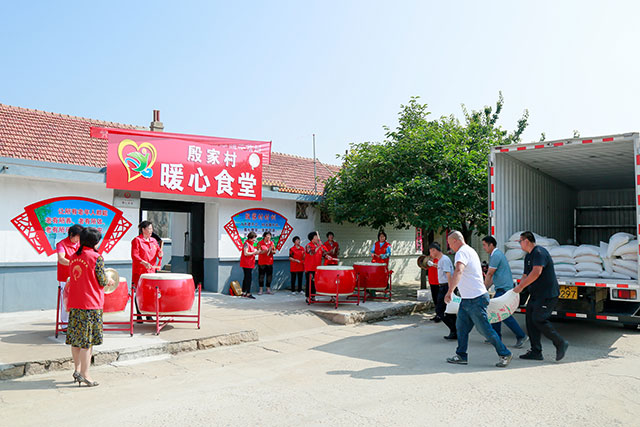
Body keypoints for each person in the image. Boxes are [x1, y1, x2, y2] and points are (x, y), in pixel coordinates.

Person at [444, 230, 512, 368]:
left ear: (456, 241)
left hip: (475, 299)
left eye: (450, 243)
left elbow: (459, 270)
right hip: (468, 299)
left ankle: (505, 353)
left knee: (485, 330)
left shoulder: (462, 252)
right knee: (461, 328)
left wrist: (450, 291)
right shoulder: (470, 250)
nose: (449, 246)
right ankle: (461, 355)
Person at [66, 227, 114, 387]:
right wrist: (109, 280)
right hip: (91, 303)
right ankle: (86, 375)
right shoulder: (96, 257)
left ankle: (77, 370)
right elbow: (101, 280)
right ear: (94, 242)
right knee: (87, 342)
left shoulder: (74, 256)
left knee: (76, 340)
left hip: (75, 302)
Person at [513, 231, 569, 361]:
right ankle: (536, 351)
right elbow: (525, 275)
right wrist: (517, 290)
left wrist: (521, 286)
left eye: (520, 241)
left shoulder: (539, 252)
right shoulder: (528, 256)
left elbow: (536, 272)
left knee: (538, 319)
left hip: (547, 294)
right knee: (530, 321)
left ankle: (560, 343)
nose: (519, 244)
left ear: (526, 241)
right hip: (535, 294)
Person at [482, 236, 528, 348]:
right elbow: (493, 277)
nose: (483, 247)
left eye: (484, 245)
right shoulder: (496, 255)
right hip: (502, 288)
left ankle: (521, 336)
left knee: (503, 314)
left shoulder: (496, 255)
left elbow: (490, 274)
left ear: (491, 245)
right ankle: (496, 337)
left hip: (504, 289)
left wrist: (483, 289)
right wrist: (485, 288)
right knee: (496, 312)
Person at [131, 221, 163, 319]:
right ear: (143, 229)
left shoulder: (153, 241)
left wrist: (160, 254)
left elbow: (158, 252)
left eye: (151, 229)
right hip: (140, 271)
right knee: (139, 292)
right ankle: (139, 314)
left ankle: (149, 314)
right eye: (149, 229)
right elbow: (134, 255)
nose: (151, 231)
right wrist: (143, 262)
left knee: (150, 292)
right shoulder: (137, 240)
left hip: (151, 271)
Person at [428, 242, 457, 340]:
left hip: (445, 287)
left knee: (440, 310)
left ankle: (454, 329)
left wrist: (450, 291)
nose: (430, 254)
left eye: (431, 252)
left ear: (434, 250)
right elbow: (442, 269)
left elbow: (449, 275)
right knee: (449, 310)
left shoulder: (444, 260)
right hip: (444, 286)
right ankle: (455, 331)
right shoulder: (442, 260)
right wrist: (433, 265)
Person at [56, 224, 83, 324]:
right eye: (77, 237)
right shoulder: (61, 244)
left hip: (79, 277)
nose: (78, 240)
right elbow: (61, 259)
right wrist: (75, 263)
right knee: (66, 300)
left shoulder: (80, 244)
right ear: (71, 234)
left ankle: (76, 322)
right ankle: (64, 323)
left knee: (79, 300)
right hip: (65, 277)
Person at [304, 231, 325, 303]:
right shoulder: (308, 246)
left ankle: (313, 296)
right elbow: (311, 253)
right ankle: (308, 297)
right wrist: (319, 246)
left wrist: (327, 255)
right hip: (309, 268)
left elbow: (323, 253)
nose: (317, 238)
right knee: (309, 283)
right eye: (316, 236)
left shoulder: (318, 245)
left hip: (317, 268)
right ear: (312, 238)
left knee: (314, 283)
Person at [240, 232, 258, 299]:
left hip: (250, 263)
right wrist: (254, 252)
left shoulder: (251, 244)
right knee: (248, 278)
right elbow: (246, 253)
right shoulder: (246, 244)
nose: (254, 240)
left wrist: (256, 253)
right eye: (253, 238)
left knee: (246, 278)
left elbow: (251, 253)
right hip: (247, 263)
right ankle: (248, 293)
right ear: (250, 238)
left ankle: (243, 292)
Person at [427, 256, 441, 322]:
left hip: (438, 282)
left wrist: (432, 264)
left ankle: (440, 315)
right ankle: (437, 314)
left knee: (439, 299)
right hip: (431, 281)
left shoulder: (440, 258)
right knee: (435, 299)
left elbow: (440, 266)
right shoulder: (430, 259)